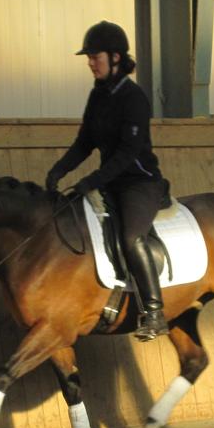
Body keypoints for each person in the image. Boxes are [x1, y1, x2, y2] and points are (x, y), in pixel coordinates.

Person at [45, 20, 170, 341]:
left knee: (131, 238)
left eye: (94, 56)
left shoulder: (134, 97)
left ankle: (154, 312)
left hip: (139, 183)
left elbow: (129, 153)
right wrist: (59, 170)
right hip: (109, 181)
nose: (90, 62)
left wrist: (91, 180)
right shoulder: (97, 95)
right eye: (88, 57)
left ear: (115, 58)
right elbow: (85, 141)